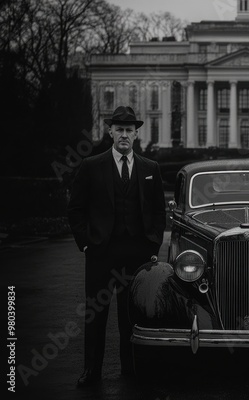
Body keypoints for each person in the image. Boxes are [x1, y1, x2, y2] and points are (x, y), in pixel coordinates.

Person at [68, 106, 166, 386]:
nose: (124, 134)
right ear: (110, 131)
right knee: (95, 314)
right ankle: (91, 370)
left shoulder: (151, 168)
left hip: (136, 253)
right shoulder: (91, 165)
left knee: (131, 314)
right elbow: (75, 209)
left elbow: (159, 212)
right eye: (119, 129)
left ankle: (130, 367)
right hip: (101, 252)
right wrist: (85, 244)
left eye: (129, 130)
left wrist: (153, 244)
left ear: (136, 134)